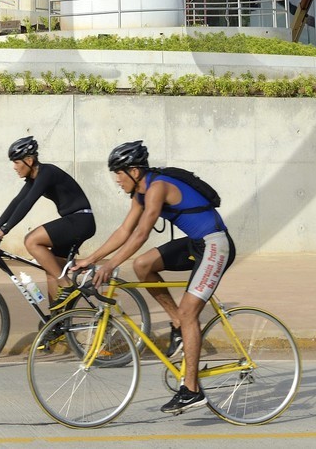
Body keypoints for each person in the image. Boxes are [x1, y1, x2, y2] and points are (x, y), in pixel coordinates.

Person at [74, 140, 233, 416]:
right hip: (196, 243)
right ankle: (176, 322)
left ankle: (191, 390)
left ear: (134, 171)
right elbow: (125, 230)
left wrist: (111, 265)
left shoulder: (157, 187)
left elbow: (141, 233)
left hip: (215, 245)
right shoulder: (140, 194)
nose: (116, 180)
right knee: (143, 265)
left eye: (119, 173)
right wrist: (91, 259)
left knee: (189, 312)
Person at [0, 136, 96, 310]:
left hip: (80, 220)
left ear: (29, 160)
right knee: (52, 271)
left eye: (17, 162)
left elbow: (28, 202)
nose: (14, 167)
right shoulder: (34, 178)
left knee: (31, 240)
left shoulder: (47, 173)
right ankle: (57, 326)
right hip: (74, 221)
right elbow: (18, 201)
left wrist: (5, 230)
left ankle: (67, 285)